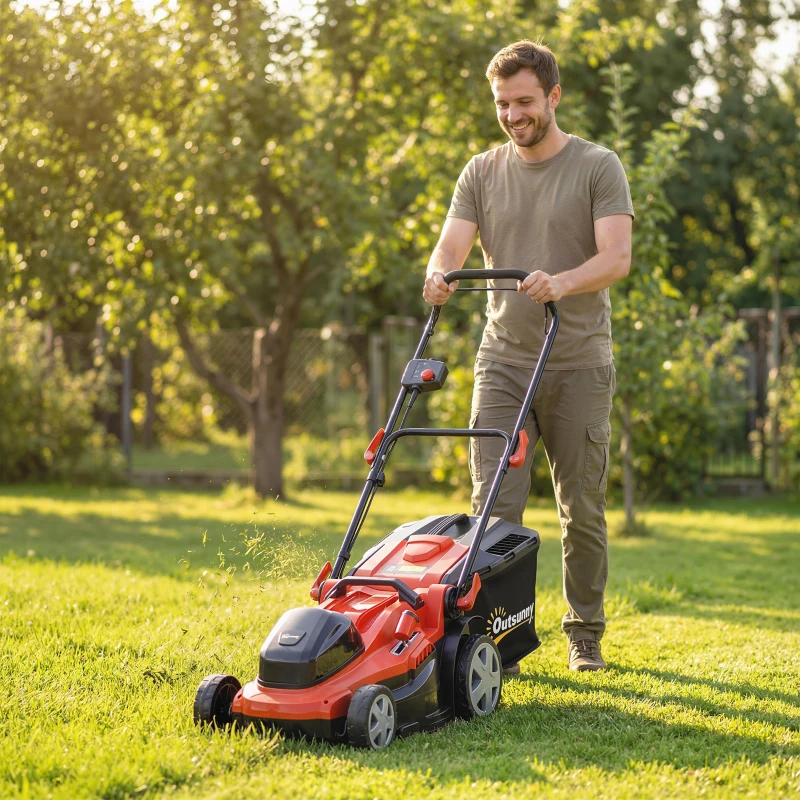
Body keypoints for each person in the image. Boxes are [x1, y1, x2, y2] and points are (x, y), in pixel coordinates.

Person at [422, 40, 633, 672]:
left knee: (582, 510)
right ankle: (493, 641)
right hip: (504, 362)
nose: (513, 115)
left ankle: (584, 633)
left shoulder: (598, 166)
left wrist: (561, 283)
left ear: (553, 97)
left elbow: (616, 258)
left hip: (578, 362)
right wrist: (438, 275)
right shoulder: (480, 172)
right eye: (502, 104)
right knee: (492, 507)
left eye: (524, 102)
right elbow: (450, 248)